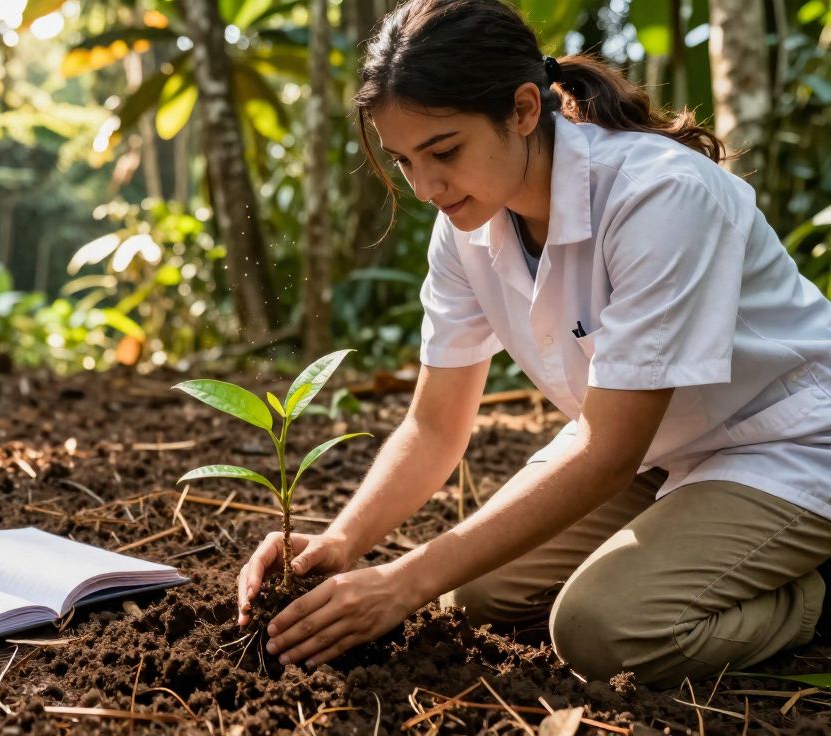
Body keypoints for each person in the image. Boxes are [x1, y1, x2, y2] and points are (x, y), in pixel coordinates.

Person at [236, 0, 831, 688]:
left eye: (444, 151)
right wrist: (341, 543)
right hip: (661, 452)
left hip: (783, 444)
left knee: (602, 630)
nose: (426, 187)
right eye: (403, 161)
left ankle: (810, 595)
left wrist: (402, 581)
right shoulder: (466, 227)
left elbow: (608, 451)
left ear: (523, 110)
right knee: (477, 597)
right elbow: (433, 426)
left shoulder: (660, 195)